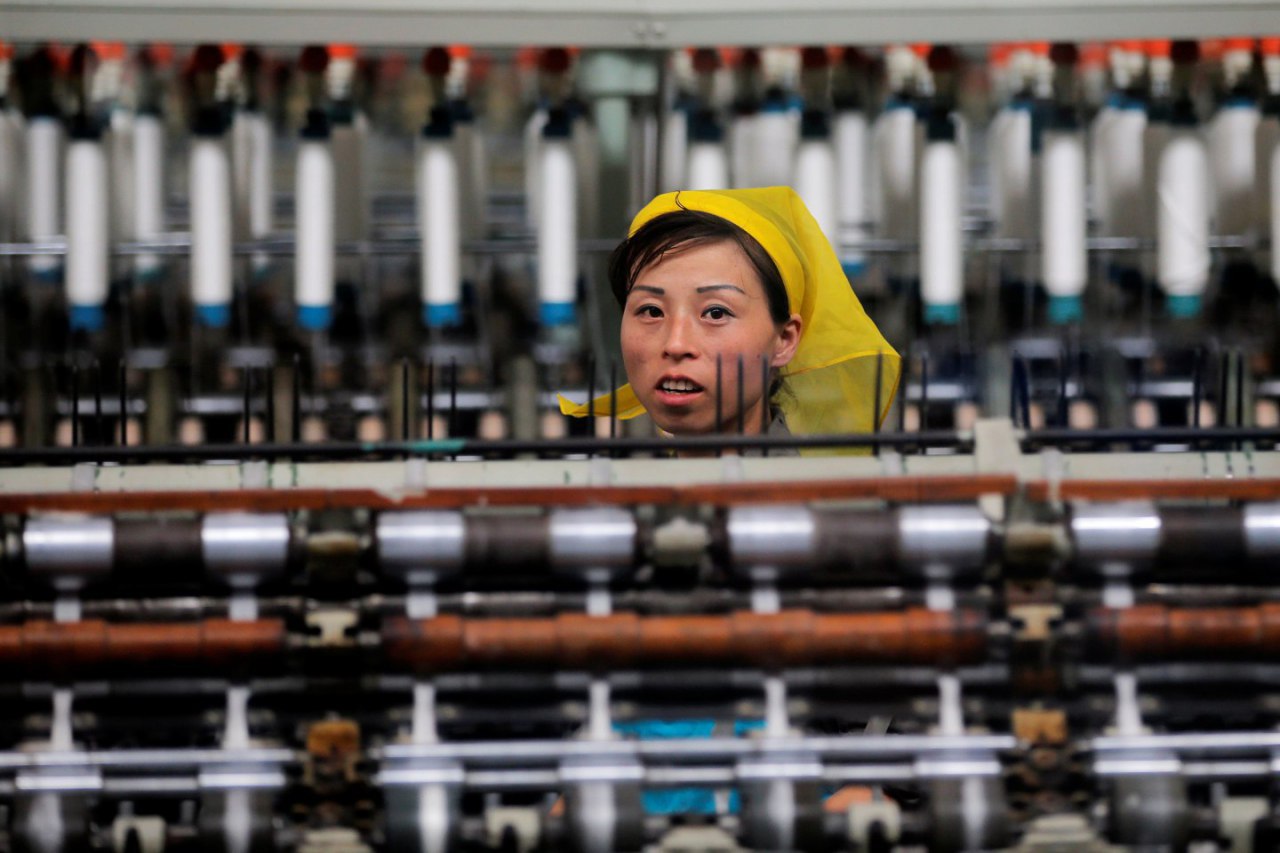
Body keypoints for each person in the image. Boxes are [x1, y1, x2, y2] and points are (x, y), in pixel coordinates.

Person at [560, 186, 900, 453]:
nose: (676, 344)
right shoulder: (636, 506)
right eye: (651, 311)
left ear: (784, 339)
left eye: (715, 313)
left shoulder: (806, 514)